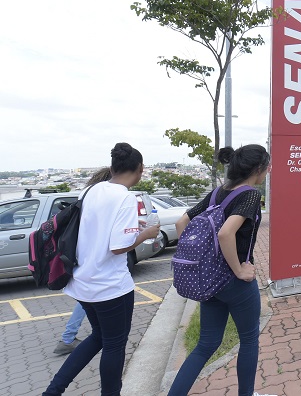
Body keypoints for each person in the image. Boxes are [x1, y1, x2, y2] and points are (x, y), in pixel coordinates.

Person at [43, 144, 160, 396]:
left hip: (81, 282)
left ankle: (53, 390)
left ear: (113, 166)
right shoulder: (125, 197)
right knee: (115, 345)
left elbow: (94, 225)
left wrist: (132, 224)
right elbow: (119, 247)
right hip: (110, 287)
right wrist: (146, 233)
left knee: (98, 337)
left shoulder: (90, 190)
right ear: (140, 169)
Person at [168, 144, 270, 396]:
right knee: (249, 339)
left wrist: (198, 262)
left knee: (206, 344)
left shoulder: (217, 193)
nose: (268, 171)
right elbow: (226, 233)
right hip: (234, 283)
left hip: (209, 281)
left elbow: (183, 221)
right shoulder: (249, 195)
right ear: (258, 169)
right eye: (267, 166)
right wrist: (238, 270)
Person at [53, 167, 113, 356]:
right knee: (88, 300)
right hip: (91, 261)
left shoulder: (85, 195)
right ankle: (68, 338)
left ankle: (68, 337)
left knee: (85, 299)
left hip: (78, 257)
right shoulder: (102, 198)